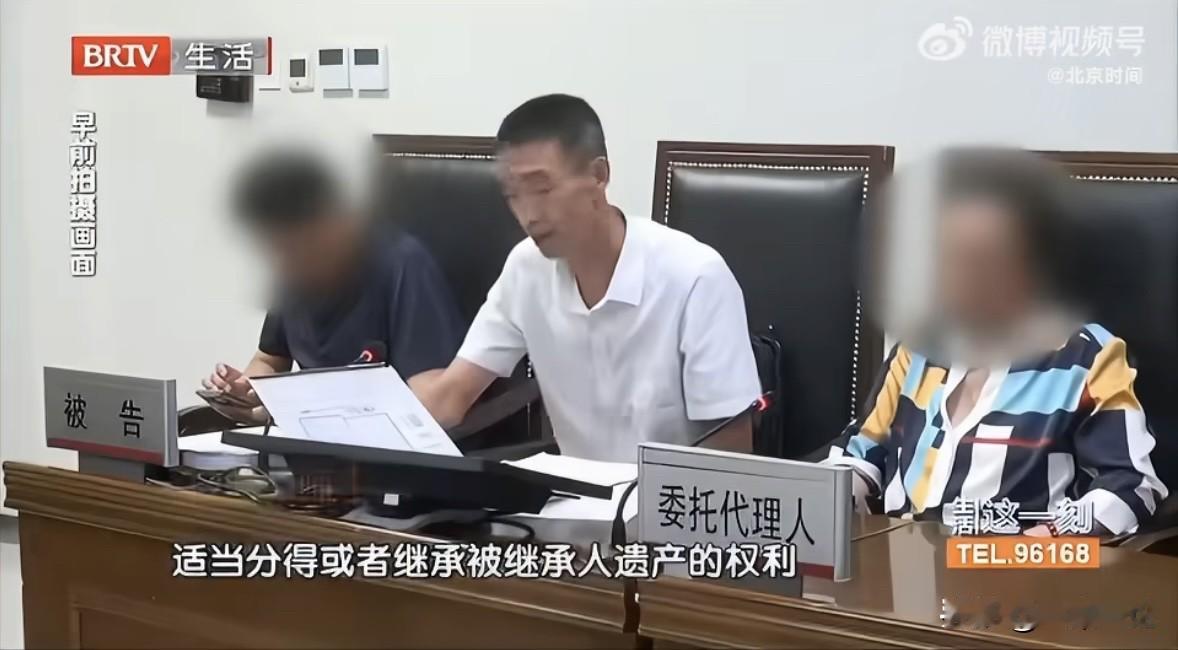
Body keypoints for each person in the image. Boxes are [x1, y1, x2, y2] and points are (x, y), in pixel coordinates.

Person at [827, 148, 1168, 536]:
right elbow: (862, 453)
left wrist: (1049, 538)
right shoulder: (919, 347)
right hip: (900, 561)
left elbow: (1131, 487)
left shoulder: (1087, 359)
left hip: (1018, 565)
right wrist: (826, 497)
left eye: (982, 259)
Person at [413, 94, 762, 462]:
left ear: (598, 176)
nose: (528, 215)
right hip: (572, 493)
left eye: (542, 189)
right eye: (513, 196)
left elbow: (731, 456)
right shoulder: (526, 268)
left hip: (669, 495)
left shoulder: (695, 277)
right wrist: (384, 405)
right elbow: (450, 399)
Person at [202, 148, 466, 424]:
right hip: (316, 431)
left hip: (384, 434)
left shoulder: (402, 265)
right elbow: (269, 360)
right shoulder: (291, 270)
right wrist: (246, 391)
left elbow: (432, 401)